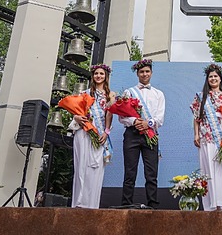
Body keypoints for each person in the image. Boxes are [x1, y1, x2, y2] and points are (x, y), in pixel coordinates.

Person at [190, 63, 222, 211]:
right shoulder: (201, 96)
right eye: (210, 76)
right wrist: (196, 134)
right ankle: (210, 204)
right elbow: (196, 117)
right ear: (207, 79)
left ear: (220, 78)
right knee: (208, 170)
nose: (213, 78)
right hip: (207, 136)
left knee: (221, 170)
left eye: (215, 76)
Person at [119, 58, 165, 208]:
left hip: (150, 134)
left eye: (147, 71)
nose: (144, 74)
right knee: (129, 172)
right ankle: (126, 204)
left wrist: (147, 123)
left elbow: (160, 118)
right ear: (137, 74)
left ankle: (153, 204)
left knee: (151, 173)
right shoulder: (128, 92)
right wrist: (134, 122)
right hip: (132, 134)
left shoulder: (159, 94)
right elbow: (122, 117)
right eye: (141, 72)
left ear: (151, 73)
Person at [70, 64, 115, 208]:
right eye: (96, 73)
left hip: (99, 135)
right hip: (84, 132)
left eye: (101, 74)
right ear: (93, 76)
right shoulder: (85, 93)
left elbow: (110, 114)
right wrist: (76, 118)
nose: (99, 76)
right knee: (81, 167)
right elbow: (76, 111)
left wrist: (106, 132)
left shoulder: (111, 95)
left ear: (106, 76)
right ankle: (78, 203)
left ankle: (91, 205)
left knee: (95, 168)